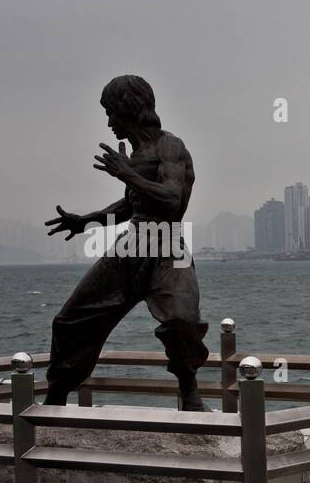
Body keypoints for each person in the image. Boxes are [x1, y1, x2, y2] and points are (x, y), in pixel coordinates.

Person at [43, 75, 209, 411]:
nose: (108, 122)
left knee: (181, 320)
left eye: (111, 113)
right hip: (131, 245)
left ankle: (190, 394)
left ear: (129, 109)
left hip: (167, 245)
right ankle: (56, 396)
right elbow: (130, 205)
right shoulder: (134, 154)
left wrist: (125, 174)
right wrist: (85, 221)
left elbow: (172, 200)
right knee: (69, 321)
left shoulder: (170, 146)